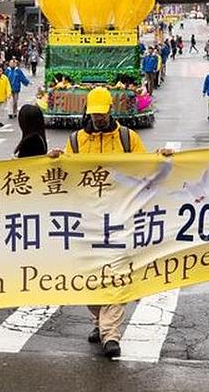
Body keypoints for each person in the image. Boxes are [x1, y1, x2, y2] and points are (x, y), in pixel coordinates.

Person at [47, 87, 146, 358]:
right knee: (89, 276)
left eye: (102, 114)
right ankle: (99, 320)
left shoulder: (128, 138)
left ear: (110, 110)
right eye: (95, 114)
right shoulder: (76, 141)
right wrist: (56, 161)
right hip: (86, 220)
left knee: (116, 275)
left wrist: (162, 159)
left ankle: (110, 334)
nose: (99, 118)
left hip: (119, 219)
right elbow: (65, 177)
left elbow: (146, 171)